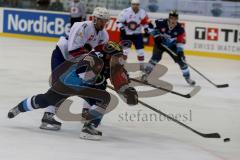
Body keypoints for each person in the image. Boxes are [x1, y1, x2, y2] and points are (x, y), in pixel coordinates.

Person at [8, 41, 138, 140]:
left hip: (84, 87)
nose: (118, 59)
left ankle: (89, 128)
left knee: (103, 98)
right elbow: (83, 74)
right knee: (46, 100)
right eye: (116, 57)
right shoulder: (95, 58)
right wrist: (98, 79)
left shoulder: (112, 63)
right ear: (108, 56)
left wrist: (126, 88)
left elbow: (118, 78)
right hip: (70, 83)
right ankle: (19, 108)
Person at [34, 7, 110, 131]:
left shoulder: (104, 35)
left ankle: (87, 112)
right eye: (101, 20)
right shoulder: (82, 27)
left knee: (92, 84)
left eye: (105, 21)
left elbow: (101, 55)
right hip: (63, 56)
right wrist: (88, 65)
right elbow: (74, 51)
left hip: (80, 60)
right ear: (94, 19)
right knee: (60, 86)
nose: (103, 23)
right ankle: (48, 115)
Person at [141, 10, 196, 86]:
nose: (173, 20)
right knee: (155, 59)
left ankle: (188, 78)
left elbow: (180, 41)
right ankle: (145, 75)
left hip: (172, 46)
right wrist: (156, 36)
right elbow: (149, 25)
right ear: (169, 18)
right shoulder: (160, 22)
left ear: (177, 19)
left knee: (182, 61)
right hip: (159, 44)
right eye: (172, 18)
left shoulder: (180, 28)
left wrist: (180, 52)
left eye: (175, 18)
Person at [116, 0, 151, 71]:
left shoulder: (143, 12)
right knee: (125, 52)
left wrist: (146, 29)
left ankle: (141, 68)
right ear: (131, 4)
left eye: (137, 4)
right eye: (134, 4)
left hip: (137, 34)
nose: (135, 6)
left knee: (140, 51)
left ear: (139, 5)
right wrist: (122, 29)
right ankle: (121, 67)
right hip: (127, 35)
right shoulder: (125, 12)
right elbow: (119, 22)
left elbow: (145, 23)